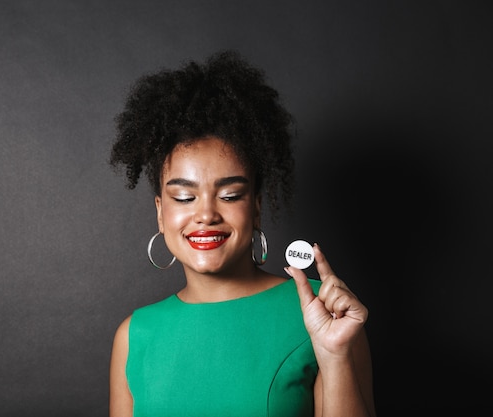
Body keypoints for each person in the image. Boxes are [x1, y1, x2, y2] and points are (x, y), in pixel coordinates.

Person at [108, 50, 376, 417]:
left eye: (230, 194)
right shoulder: (135, 335)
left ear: (256, 207)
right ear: (160, 212)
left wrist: (335, 355)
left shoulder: (324, 312)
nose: (205, 214)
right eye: (184, 197)